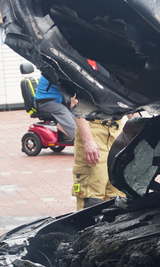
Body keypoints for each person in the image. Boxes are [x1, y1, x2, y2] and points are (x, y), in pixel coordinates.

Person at [72, 60, 124, 209]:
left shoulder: (115, 62)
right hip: (93, 128)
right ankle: (88, 232)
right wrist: (88, 140)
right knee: (92, 197)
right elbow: (75, 103)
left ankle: (113, 232)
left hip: (117, 131)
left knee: (117, 197)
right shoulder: (80, 59)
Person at [32, 75, 75, 143]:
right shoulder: (50, 75)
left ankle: (75, 133)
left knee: (75, 112)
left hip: (53, 101)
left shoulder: (52, 72)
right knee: (62, 110)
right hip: (44, 102)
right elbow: (65, 86)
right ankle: (78, 138)